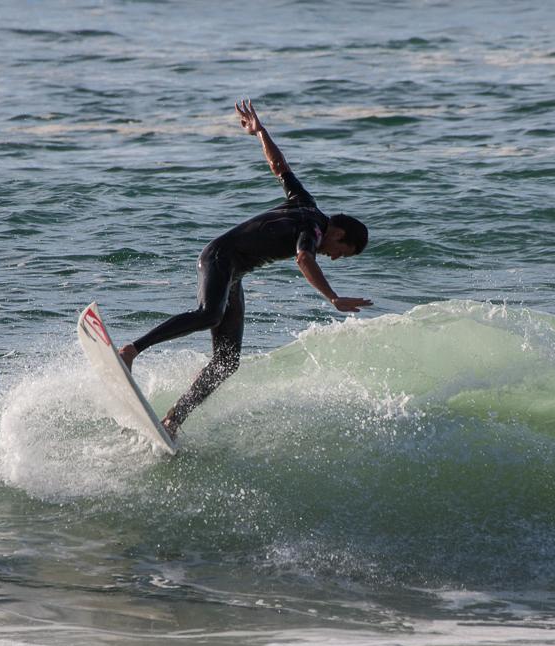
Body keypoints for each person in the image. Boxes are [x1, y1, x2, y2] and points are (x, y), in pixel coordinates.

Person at [118, 99, 371, 439]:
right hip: (219, 257)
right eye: (343, 252)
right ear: (338, 234)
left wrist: (260, 132)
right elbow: (304, 259)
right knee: (209, 314)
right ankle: (131, 350)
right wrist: (333, 298)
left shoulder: (306, 204)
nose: (336, 258)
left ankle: (173, 420)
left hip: (232, 271)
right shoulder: (312, 230)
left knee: (227, 361)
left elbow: (279, 167)